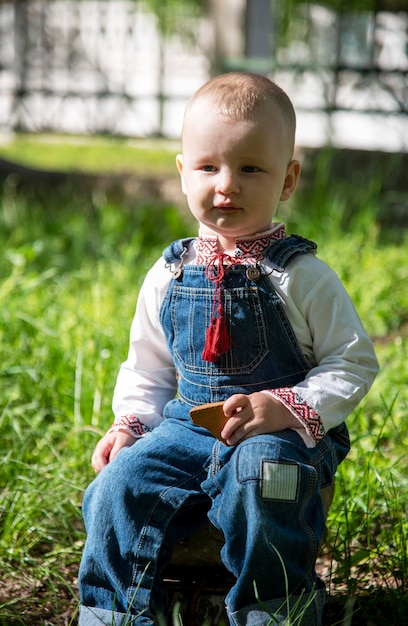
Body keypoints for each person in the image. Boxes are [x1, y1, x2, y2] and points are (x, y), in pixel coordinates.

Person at [78, 72, 379, 626]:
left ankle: (274, 610)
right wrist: (132, 424)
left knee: (264, 476)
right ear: (181, 171)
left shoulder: (300, 275)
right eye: (208, 167)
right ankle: (112, 613)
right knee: (115, 487)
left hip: (278, 434)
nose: (226, 185)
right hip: (188, 428)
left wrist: (288, 406)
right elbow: (147, 366)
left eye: (250, 169)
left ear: (287, 180)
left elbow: (353, 359)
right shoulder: (169, 273)